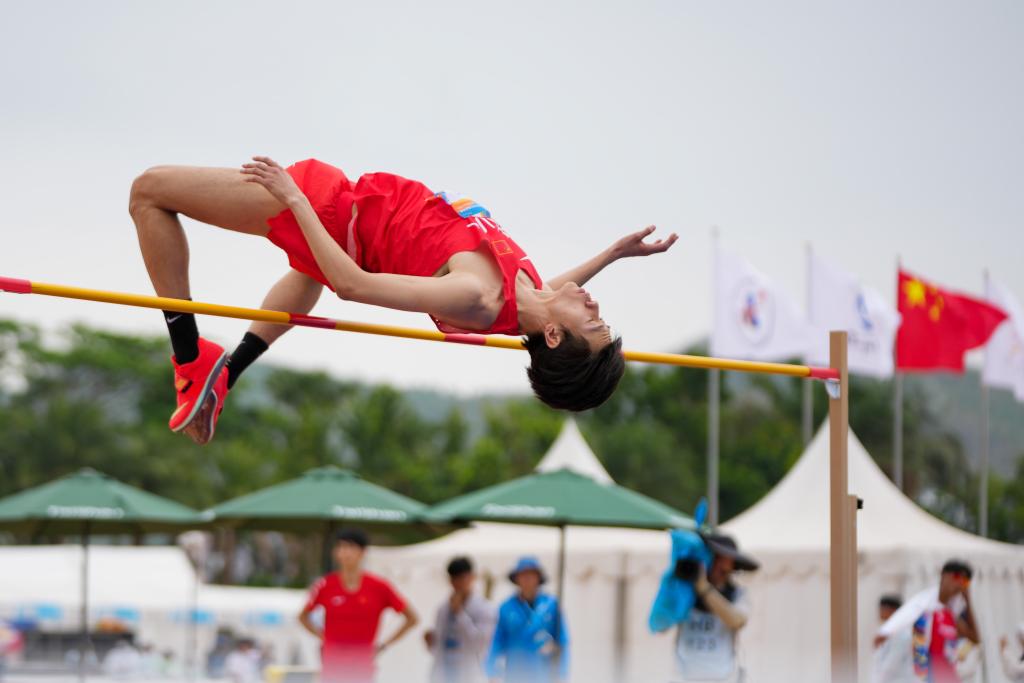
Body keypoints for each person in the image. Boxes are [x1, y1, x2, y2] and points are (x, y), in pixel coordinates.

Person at [129, 157, 678, 444]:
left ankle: (188, 359)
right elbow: (552, 293)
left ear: (554, 335)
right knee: (304, 274)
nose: (596, 308)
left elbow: (351, 285)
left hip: (329, 207)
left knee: (150, 191)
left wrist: (294, 199)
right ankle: (226, 374)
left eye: (593, 323)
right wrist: (612, 254)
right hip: (346, 219)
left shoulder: (478, 296)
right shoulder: (524, 299)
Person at [298, 528, 418, 683]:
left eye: (350, 547)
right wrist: (324, 637)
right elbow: (303, 617)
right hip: (332, 668)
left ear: (362, 552)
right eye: (340, 547)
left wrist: (383, 646)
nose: (345, 552)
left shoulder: (379, 587)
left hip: (362, 669)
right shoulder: (325, 585)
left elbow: (412, 618)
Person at [670, 533, 757, 683]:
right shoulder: (686, 592)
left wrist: (704, 589)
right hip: (685, 678)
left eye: (725, 561)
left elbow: (737, 620)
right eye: (716, 559)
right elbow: (660, 624)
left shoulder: (738, 594)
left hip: (722, 678)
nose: (720, 566)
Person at [877, 559, 980, 683]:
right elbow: (908, 613)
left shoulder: (951, 614)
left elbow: (975, 639)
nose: (959, 583)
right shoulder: (925, 608)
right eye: (957, 577)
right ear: (943, 575)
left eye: (965, 581)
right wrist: (886, 631)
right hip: (927, 676)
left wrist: (968, 601)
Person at [485, 556, 568, 683]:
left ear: (538, 577)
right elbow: (497, 641)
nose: (527, 579)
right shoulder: (506, 608)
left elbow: (562, 641)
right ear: (516, 578)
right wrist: (492, 671)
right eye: (523, 574)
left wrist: (562, 675)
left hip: (543, 674)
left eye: (531, 574)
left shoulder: (551, 605)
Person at [425, 556, 497, 683]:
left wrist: (459, 614)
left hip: (471, 676)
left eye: (462, 578)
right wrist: (430, 643)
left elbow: (481, 644)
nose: (458, 583)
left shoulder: (484, 608)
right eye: (454, 579)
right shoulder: (443, 609)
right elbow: (440, 650)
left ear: (472, 577)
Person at [872, 594, 915, 683]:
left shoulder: (902, 633)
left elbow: (891, 665)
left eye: (883, 608)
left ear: (894, 610)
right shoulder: (884, 632)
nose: (880, 612)